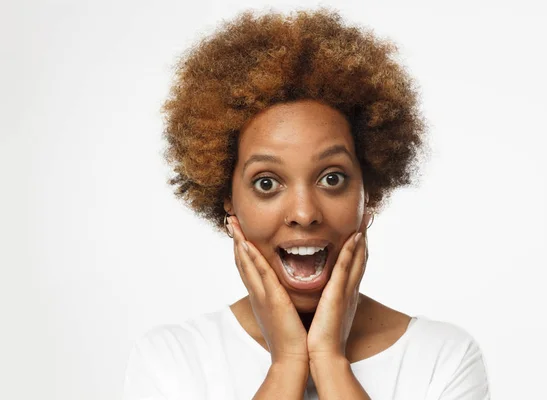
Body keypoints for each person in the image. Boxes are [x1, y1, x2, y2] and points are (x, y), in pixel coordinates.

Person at [123, 7, 491, 400]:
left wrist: (331, 361)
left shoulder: (442, 358)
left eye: (332, 178)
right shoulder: (174, 360)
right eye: (267, 183)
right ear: (227, 200)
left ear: (370, 192)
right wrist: (288, 364)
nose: (304, 213)